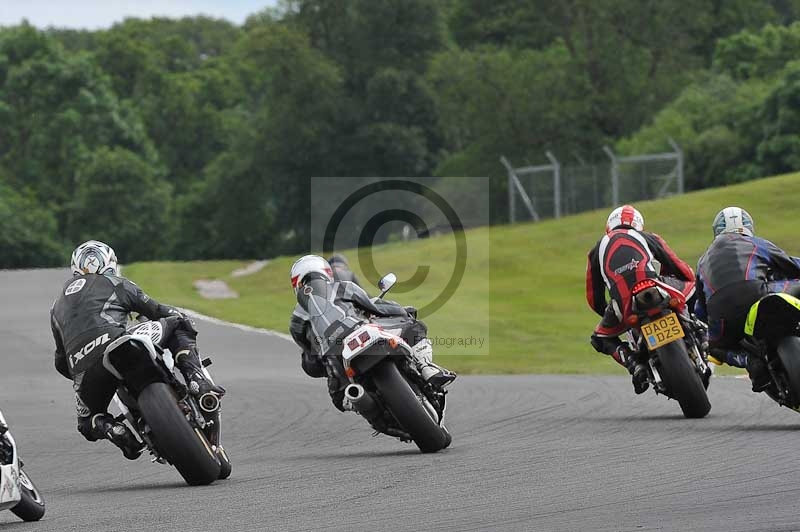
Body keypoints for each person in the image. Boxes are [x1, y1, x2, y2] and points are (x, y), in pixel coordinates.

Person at [50, 240, 224, 460]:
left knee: (87, 423)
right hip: (118, 343)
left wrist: (80, 374)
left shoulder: (55, 307)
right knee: (179, 323)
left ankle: (112, 429)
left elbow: (60, 360)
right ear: (110, 264)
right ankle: (196, 378)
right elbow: (158, 310)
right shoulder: (116, 283)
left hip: (86, 371)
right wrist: (175, 315)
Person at [288, 254, 456, 411]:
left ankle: (364, 405)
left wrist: (323, 362)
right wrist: (403, 311)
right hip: (361, 332)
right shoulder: (341, 287)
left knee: (341, 399)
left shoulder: (296, 318)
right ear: (326, 273)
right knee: (415, 327)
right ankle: (426, 367)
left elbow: (310, 360)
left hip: (335, 356)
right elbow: (375, 307)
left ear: (296, 284)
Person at [586, 205, 696, 394]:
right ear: (639, 225)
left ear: (609, 226)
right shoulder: (648, 237)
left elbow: (593, 297)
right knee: (693, 285)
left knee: (600, 339)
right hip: (656, 288)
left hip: (623, 305)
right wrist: (687, 281)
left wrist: (611, 313)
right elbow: (680, 268)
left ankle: (634, 364)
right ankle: (698, 331)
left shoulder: (596, 250)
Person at [695, 206, 800, 392]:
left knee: (714, 346)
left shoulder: (702, 261)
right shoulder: (756, 243)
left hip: (720, 317)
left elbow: (700, 310)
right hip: (757, 294)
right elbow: (793, 266)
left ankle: (747, 359)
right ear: (748, 226)